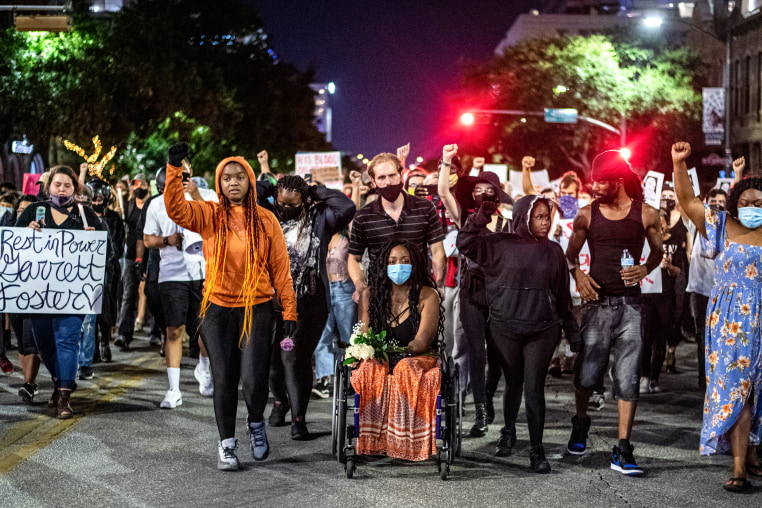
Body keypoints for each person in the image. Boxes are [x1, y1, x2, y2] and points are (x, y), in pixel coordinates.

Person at [164, 144, 296, 470]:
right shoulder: (209, 213)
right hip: (217, 308)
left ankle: (254, 423)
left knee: (253, 380)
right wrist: (173, 168)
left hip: (258, 307)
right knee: (223, 379)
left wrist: (290, 311)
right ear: (219, 184)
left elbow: (281, 270)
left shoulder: (267, 220)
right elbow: (176, 210)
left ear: (250, 181)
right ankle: (226, 445)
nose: (233, 183)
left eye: (240, 177)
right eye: (226, 178)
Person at [458, 195, 580, 472]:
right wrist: (479, 217)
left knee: (534, 387)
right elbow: (464, 243)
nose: (545, 222)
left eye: (547, 216)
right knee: (512, 384)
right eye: (538, 216)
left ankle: (537, 451)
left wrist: (572, 330)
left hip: (543, 328)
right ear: (523, 216)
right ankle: (509, 431)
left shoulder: (554, 250)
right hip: (505, 328)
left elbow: (562, 296)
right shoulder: (499, 243)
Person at [672, 141, 762, 493]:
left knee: (758, 390)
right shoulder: (721, 226)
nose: (753, 208)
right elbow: (688, 202)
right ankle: (738, 467)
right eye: (746, 202)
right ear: (734, 203)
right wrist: (679, 164)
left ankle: (752, 452)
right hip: (730, 323)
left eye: (759, 203)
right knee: (736, 390)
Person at [565, 150, 662, 476]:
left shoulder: (646, 214)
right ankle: (581, 422)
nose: (595, 186)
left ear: (618, 180)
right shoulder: (586, 215)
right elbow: (570, 255)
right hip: (596, 304)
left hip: (632, 306)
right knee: (588, 373)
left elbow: (659, 251)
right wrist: (578, 275)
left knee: (628, 376)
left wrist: (645, 266)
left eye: (602, 181)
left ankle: (623, 448)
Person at [262, 173, 355, 438]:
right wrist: (270, 185)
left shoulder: (319, 216)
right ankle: (280, 402)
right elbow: (253, 194)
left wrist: (315, 190)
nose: (286, 209)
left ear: (304, 201)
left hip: (310, 302)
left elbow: (347, 207)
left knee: (293, 356)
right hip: (272, 301)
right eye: (282, 203)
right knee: (272, 361)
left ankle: (299, 419)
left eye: (293, 204)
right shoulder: (267, 214)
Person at [16, 165, 105, 419]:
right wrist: (26, 232)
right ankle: (59, 383)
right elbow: (13, 243)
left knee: (67, 342)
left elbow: (104, 251)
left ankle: (64, 396)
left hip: (73, 296)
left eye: (67, 185)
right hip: (39, 294)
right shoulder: (34, 211)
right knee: (44, 344)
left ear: (75, 189)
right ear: (48, 187)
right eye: (58, 185)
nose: (62, 189)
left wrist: (93, 239)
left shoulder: (85, 215)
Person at [437, 144, 510, 437]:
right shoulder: (465, 218)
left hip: (499, 296)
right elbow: (443, 192)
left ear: (497, 194)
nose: (481, 194)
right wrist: (444, 161)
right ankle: (480, 409)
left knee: (498, 355)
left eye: (487, 190)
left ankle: (488, 395)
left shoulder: (508, 223)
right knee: (476, 353)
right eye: (477, 189)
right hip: (470, 292)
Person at [351, 239, 443, 461]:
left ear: (415, 264)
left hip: (418, 358)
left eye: (404, 261)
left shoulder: (428, 295)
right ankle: (374, 441)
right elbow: (363, 335)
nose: (398, 266)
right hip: (382, 357)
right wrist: (362, 350)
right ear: (384, 265)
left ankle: (407, 443)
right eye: (392, 262)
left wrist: (403, 350)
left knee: (405, 369)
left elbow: (422, 341)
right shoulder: (369, 295)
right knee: (369, 370)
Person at [144, 160, 217, 407]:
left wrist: (193, 194)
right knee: (174, 330)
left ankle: (204, 370)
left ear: (190, 173)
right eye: (175, 173)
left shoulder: (207, 195)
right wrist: (167, 240)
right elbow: (147, 240)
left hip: (204, 271)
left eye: (184, 172)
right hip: (172, 273)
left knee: (205, 328)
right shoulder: (156, 203)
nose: (180, 176)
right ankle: (174, 390)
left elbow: (216, 222)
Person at [348, 152, 446, 307]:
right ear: (373, 182)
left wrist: (439, 285)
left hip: (420, 291)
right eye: (381, 178)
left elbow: (437, 251)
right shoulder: (363, 216)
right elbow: (354, 258)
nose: (388, 182)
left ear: (401, 175)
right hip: (380, 294)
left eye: (392, 175)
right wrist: (359, 285)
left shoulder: (425, 208)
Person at [640, 209, 685, 394]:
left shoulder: (674, 243)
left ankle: (654, 378)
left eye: (662, 222)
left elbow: (679, 271)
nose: (659, 226)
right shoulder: (644, 242)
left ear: (667, 224)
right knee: (646, 338)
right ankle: (644, 376)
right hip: (647, 297)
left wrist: (669, 266)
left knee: (660, 339)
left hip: (666, 297)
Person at [686, 188, 727, 390]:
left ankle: (719, 377)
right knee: (703, 336)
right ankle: (705, 380)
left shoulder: (729, 226)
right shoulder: (696, 222)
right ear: (705, 201)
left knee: (721, 336)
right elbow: (684, 201)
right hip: (700, 291)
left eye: (722, 202)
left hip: (722, 291)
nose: (717, 205)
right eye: (713, 201)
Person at [8, 195, 41, 401]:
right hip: (14, 292)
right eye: (20, 210)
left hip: (36, 292)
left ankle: (29, 383)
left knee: (32, 340)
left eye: (29, 210)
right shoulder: (9, 233)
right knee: (21, 339)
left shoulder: (44, 232)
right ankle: (28, 381)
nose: (24, 214)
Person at [115, 174, 150, 350]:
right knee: (129, 295)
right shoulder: (128, 206)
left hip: (152, 255)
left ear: (148, 187)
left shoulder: (153, 205)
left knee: (153, 294)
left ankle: (156, 333)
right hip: (130, 255)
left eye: (142, 184)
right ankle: (124, 333)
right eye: (136, 184)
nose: (139, 188)